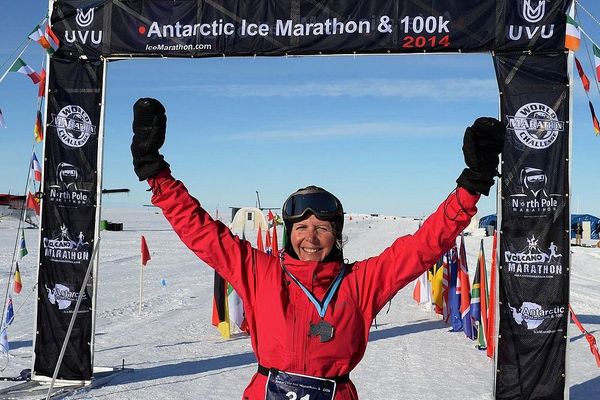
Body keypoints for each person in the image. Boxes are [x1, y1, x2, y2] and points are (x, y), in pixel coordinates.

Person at [130, 98, 505, 400]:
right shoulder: (261, 273)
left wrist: (471, 185)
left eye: (322, 228)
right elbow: (201, 231)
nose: (311, 237)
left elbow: (423, 246)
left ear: (336, 235)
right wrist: (155, 173)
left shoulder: (361, 282)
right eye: (303, 227)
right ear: (288, 233)